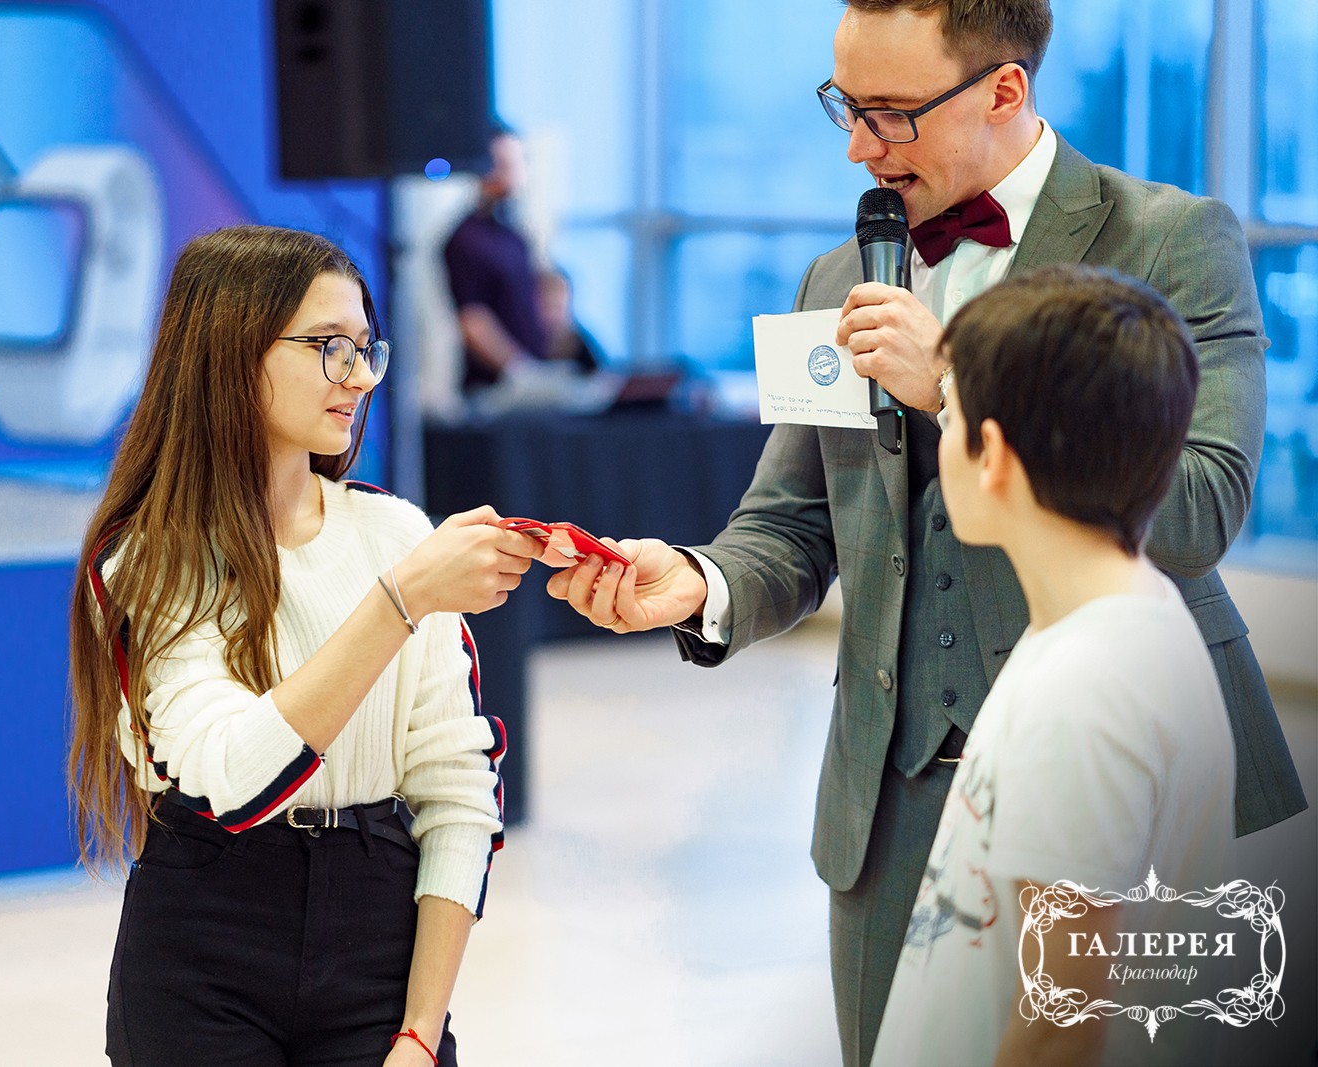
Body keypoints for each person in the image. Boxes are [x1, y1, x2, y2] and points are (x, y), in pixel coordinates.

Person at [544, 2, 1306, 1063]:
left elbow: (1201, 510)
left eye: (892, 113)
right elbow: (792, 521)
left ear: (1004, 90)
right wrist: (699, 581)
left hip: (1118, 765)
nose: (860, 149)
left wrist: (955, 377)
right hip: (889, 795)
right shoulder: (835, 278)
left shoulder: (1171, 239)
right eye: (846, 108)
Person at [68, 225, 543, 1066]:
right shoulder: (150, 558)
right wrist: (400, 601)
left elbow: (458, 791)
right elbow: (232, 777)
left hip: (378, 934)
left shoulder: (395, 532)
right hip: (203, 944)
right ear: (229, 352)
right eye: (329, 347)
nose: (360, 376)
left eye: (365, 348)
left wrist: (420, 1028)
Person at [869, 264, 1233, 1066]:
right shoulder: (1104, 622)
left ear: (992, 455)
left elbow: (1060, 1026)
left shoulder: (1086, 688)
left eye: (952, 415)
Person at [442, 127, 568, 392]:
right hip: (494, 388)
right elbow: (472, 319)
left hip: (533, 374)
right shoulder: (466, 240)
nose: (515, 172)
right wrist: (520, 371)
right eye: (505, 163)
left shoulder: (514, 236)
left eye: (518, 162)